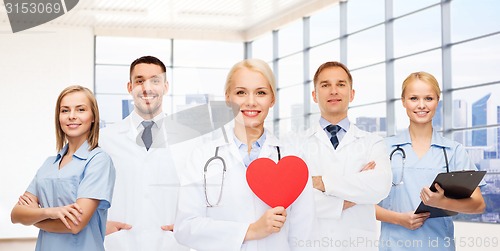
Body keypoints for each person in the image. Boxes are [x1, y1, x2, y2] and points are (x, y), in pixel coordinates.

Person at [174, 58, 315, 251]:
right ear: (227, 98)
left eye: (261, 93)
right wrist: (250, 231)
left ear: (272, 99)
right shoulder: (201, 158)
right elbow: (185, 227)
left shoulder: (293, 160)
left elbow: (303, 235)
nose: (251, 102)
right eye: (241, 92)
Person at [376, 71, 486, 251]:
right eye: (413, 98)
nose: (421, 105)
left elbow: (478, 205)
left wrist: (442, 202)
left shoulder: (453, 151)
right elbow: (362, 204)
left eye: (428, 98)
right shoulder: (383, 148)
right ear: (403, 101)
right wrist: (399, 219)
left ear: (438, 101)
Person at [100, 56, 195, 251]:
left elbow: (198, 192)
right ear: (130, 87)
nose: (147, 88)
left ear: (166, 87)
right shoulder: (105, 139)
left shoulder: (189, 139)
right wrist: (100, 225)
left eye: (155, 80)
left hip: (172, 244)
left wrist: (190, 224)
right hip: (121, 243)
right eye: (140, 80)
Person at [298, 61, 392, 251]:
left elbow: (380, 186)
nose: (334, 91)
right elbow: (297, 200)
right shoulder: (296, 144)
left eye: (341, 84)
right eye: (325, 85)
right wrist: (357, 194)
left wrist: (320, 182)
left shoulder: (373, 142)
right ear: (315, 96)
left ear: (352, 94)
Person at [11, 85, 116, 251]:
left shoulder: (98, 160)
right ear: (58, 117)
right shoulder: (48, 164)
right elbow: (16, 215)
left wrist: (33, 217)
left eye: (80, 110)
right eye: (65, 110)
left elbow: (75, 225)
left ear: (93, 116)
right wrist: (50, 213)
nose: (72, 116)